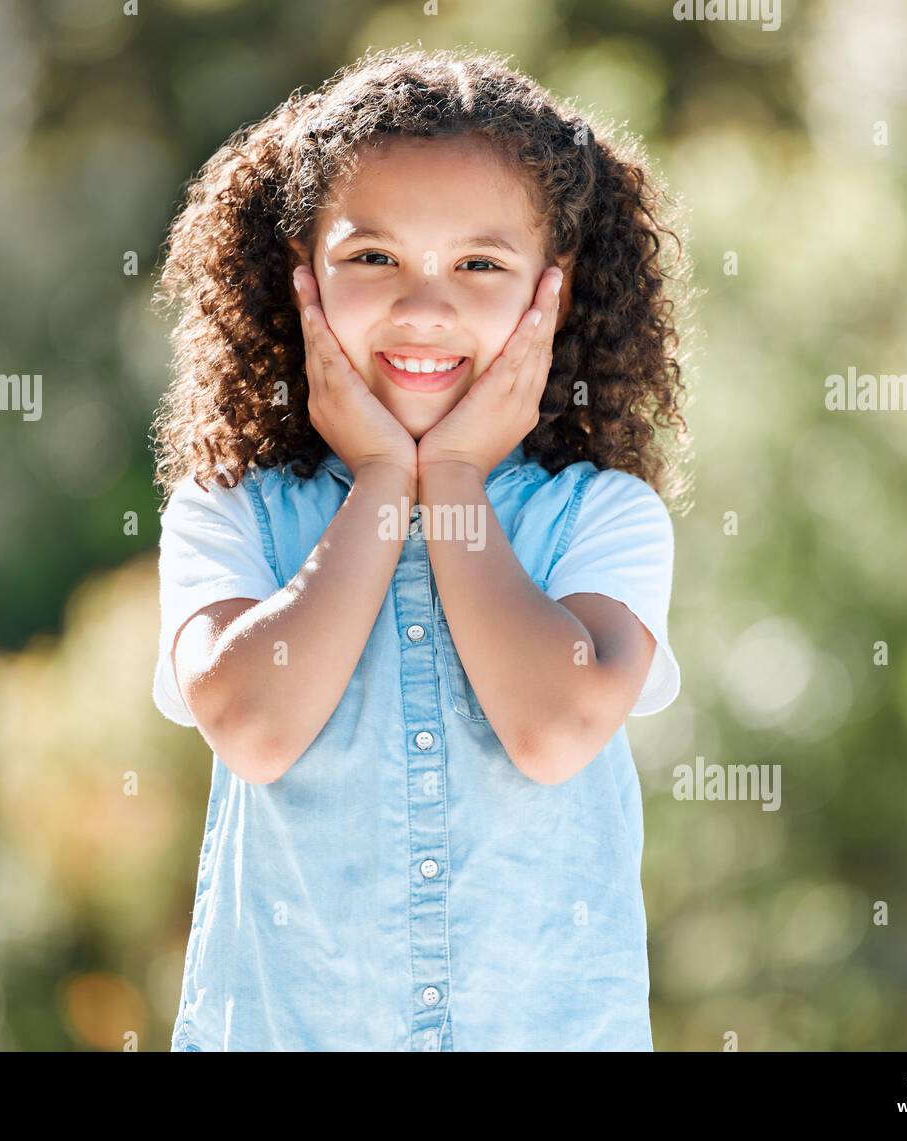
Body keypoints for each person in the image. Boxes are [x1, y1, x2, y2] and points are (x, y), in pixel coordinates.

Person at [150, 45, 691, 1051]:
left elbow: (553, 728)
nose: (423, 305)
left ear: (553, 300)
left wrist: (448, 481)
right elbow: (256, 727)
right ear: (301, 279)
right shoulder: (230, 515)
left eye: (479, 265)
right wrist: (381, 482)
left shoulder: (602, 521)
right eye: (372, 258)